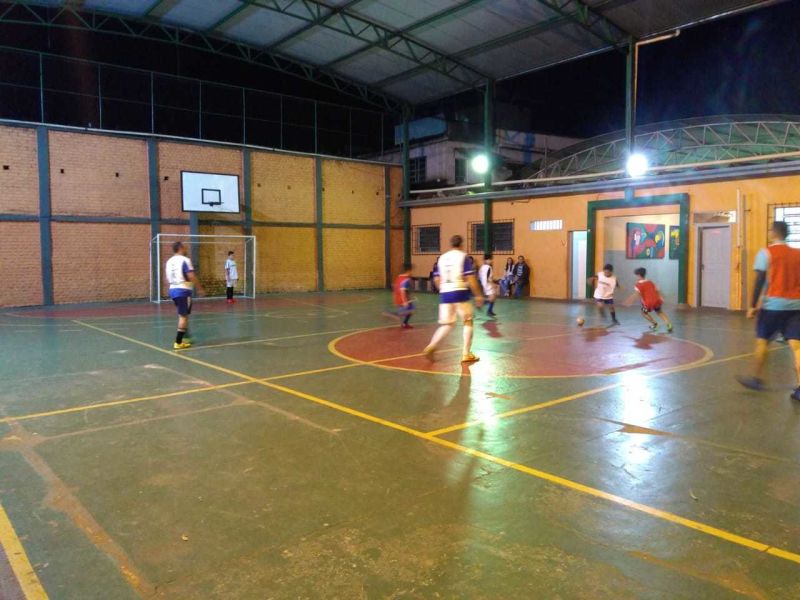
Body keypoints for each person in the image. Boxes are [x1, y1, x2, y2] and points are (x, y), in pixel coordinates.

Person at [736, 221, 800, 400]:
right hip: (796, 306)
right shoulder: (798, 254)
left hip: (773, 305)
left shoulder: (766, 253)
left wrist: (752, 306)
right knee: (796, 347)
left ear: (774, 233)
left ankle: (756, 379)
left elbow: (759, 281)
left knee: (762, 342)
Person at [424, 235, 484, 363]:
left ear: (450, 244)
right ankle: (466, 353)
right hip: (459, 291)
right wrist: (478, 295)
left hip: (445, 293)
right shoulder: (463, 257)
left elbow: (436, 279)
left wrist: (443, 290)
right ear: (461, 245)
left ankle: (432, 345)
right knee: (468, 321)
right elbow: (471, 278)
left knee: (447, 324)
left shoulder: (442, 258)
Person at [165, 241, 202, 349]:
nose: (186, 250)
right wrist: (199, 288)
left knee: (182, 314)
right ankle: (179, 342)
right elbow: (191, 276)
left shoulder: (169, 261)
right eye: (184, 248)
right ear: (180, 248)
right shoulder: (185, 260)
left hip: (172, 289)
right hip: (183, 290)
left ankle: (185, 335)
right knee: (183, 317)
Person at [624, 267, 673, 332]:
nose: (635, 277)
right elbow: (657, 290)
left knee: (643, 313)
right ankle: (669, 324)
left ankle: (655, 324)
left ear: (639, 275)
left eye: (636, 275)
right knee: (659, 312)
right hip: (656, 301)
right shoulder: (650, 282)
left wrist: (629, 300)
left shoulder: (638, 285)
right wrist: (662, 297)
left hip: (648, 303)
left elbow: (637, 294)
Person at [392, 263, 415, 329]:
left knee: (411, 310)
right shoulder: (406, 279)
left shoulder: (399, 277)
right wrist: (405, 301)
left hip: (398, 297)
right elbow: (402, 291)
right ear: (408, 271)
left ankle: (404, 323)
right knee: (411, 310)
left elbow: (395, 287)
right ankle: (396, 315)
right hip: (403, 298)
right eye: (411, 270)